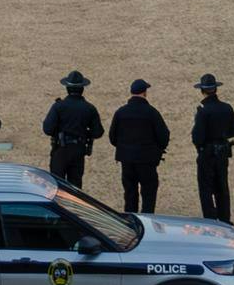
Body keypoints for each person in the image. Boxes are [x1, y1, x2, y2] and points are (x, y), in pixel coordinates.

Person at [109, 79, 170, 214]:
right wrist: (157, 150)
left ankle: (131, 221)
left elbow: (112, 137)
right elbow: (164, 136)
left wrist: (124, 148)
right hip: (147, 160)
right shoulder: (152, 112)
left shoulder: (121, 112)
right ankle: (147, 220)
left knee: (130, 193)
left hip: (127, 160)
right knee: (148, 193)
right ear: (144, 92)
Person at [191, 73, 234, 224]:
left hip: (207, 153)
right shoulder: (226, 108)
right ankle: (224, 219)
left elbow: (197, 137)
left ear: (202, 91)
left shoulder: (203, 110)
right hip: (222, 152)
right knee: (222, 186)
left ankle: (210, 220)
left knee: (206, 188)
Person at [41, 70, 103, 187]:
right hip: (78, 150)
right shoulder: (89, 108)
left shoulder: (58, 106)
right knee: (75, 188)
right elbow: (98, 132)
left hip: (60, 149)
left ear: (67, 88)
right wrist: (84, 132)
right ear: (82, 89)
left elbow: (47, 129)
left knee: (57, 186)